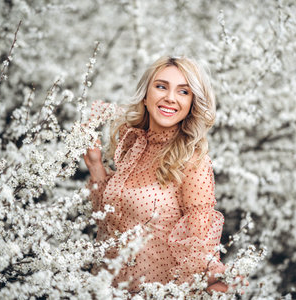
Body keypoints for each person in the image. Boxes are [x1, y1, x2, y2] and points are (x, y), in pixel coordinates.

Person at [83, 56, 230, 294]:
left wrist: (216, 280)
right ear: (145, 94)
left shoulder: (193, 161)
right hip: (106, 287)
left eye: (183, 92)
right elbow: (109, 222)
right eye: (161, 86)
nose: (170, 97)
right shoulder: (134, 143)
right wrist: (95, 165)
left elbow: (200, 247)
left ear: (192, 102)